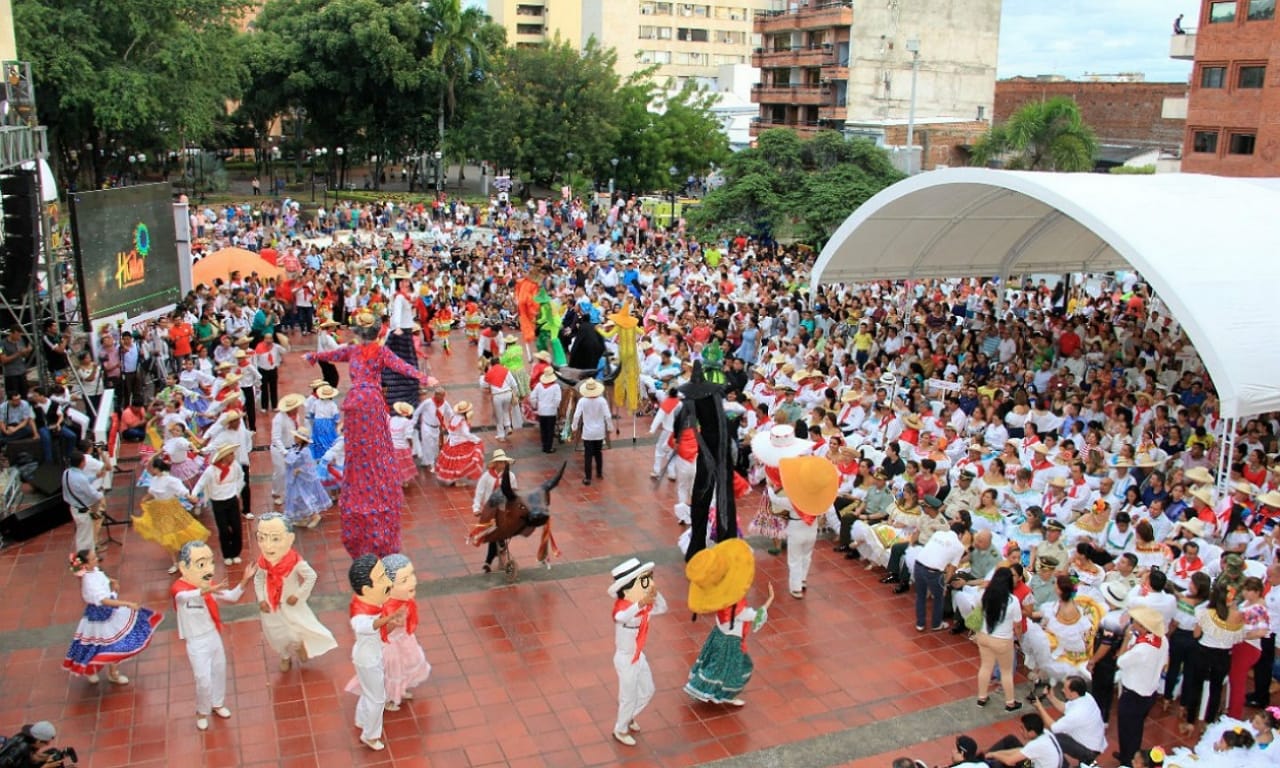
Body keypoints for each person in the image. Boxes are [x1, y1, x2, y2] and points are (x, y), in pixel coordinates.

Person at [306, 311, 428, 558]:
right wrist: (423, 377)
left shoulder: (356, 351)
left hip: (358, 401)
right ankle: (372, 480)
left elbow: (332, 355)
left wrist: (313, 356)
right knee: (372, 449)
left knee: (360, 450)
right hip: (370, 401)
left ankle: (364, 480)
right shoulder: (376, 352)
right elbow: (402, 366)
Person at [171, 540, 257, 731]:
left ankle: (217, 703)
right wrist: (206, 590)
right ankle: (202, 712)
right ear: (184, 567)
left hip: (213, 635)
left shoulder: (209, 587)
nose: (208, 569)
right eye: (201, 564)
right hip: (196, 641)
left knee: (219, 670)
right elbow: (182, 597)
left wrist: (245, 580)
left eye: (210, 562)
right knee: (203, 679)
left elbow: (232, 597)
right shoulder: (180, 589)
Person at [683, 539, 774, 707]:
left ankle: (705, 689)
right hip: (731, 641)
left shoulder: (721, 597)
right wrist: (770, 600)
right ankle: (723, 694)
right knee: (733, 669)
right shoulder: (734, 603)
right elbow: (754, 616)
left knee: (717, 665)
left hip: (720, 634)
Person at [62, 548, 162, 685]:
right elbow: (104, 601)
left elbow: (101, 579)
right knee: (99, 644)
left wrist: (111, 581)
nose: (97, 559)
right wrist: (127, 604)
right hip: (99, 616)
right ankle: (97, 671)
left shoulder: (94, 571)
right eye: (93, 558)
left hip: (109, 611)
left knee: (111, 643)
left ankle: (111, 672)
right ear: (86, 564)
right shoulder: (89, 582)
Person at [251, 513, 337, 672]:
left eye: (275, 539)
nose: (268, 545)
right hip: (270, 605)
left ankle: (298, 646)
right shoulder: (263, 561)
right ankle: (284, 656)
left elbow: (311, 576)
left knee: (296, 629)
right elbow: (258, 579)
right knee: (275, 633)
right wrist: (261, 599)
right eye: (262, 538)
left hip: (290, 604)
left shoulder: (296, 562)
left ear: (289, 539)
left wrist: (298, 595)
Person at [345, 553, 404, 752]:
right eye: (381, 578)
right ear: (366, 589)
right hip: (367, 659)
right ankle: (370, 735)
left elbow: (380, 631)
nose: (388, 582)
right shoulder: (360, 614)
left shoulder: (372, 604)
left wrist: (392, 623)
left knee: (369, 692)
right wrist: (389, 618)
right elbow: (370, 626)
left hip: (372, 655)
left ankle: (361, 720)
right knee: (377, 699)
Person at [609, 557, 667, 747]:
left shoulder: (644, 607)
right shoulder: (623, 607)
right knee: (628, 697)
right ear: (627, 589)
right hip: (625, 658)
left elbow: (662, 608)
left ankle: (629, 717)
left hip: (638, 655)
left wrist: (654, 592)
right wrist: (641, 603)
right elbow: (621, 617)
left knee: (648, 690)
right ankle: (620, 729)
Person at [134, 456, 210, 574]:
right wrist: (144, 499)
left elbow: (182, 491)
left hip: (172, 508)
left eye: (151, 468)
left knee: (182, 532)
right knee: (167, 536)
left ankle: (188, 557)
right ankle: (175, 562)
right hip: (160, 510)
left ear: (157, 469)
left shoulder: (170, 480)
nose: (149, 470)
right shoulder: (154, 479)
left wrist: (190, 497)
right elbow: (152, 492)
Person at [1115, 605, 1170, 765]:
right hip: (1149, 691)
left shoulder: (1142, 649)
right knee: (1136, 728)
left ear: (1143, 627)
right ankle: (1128, 756)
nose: (1133, 623)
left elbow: (1120, 661)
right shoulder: (1162, 640)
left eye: (1136, 622)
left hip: (1133, 694)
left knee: (1127, 730)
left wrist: (1126, 640)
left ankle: (1128, 761)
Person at [378, 553, 431, 711]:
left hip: (404, 639)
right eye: (404, 580)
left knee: (406, 666)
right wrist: (394, 623)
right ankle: (388, 698)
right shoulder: (385, 606)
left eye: (412, 575)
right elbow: (381, 632)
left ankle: (399, 690)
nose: (412, 581)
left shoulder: (404, 599)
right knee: (392, 671)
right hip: (390, 645)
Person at [188, 444, 246, 565]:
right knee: (223, 530)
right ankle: (227, 554)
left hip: (232, 500)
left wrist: (237, 492)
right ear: (224, 457)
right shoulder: (211, 470)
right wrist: (193, 494)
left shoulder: (235, 466)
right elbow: (200, 483)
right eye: (231, 454)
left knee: (236, 527)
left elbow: (241, 477)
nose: (233, 456)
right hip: (218, 502)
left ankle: (236, 553)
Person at [975, 566, 1023, 711]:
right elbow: (1018, 625)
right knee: (1006, 672)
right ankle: (1010, 702)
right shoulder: (1013, 601)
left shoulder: (984, 594)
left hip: (984, 636)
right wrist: (1018, 639)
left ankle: (981, 698)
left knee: (985, 667)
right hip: (1003, 641)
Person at [1031, 676, 1106, 765]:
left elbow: (1053, 727)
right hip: (1094, 742)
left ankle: (1066, 764)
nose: (1062, 690)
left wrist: (1040, 707)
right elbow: (1065, 708)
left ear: (1073, 693)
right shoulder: (1086, 696)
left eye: (1065, 689)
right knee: (1058, 737)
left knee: (1051, 739)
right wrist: (1051, 697)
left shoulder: (1078, 712)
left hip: (1089, 749)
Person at [913, 521, 968, 632]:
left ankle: (920, 624)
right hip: (933, 572)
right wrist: (945, 584)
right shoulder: (959, 547)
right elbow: (952, 568)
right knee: (939, 598)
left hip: (918, 565)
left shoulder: (938, 534)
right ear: (960, 535)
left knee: (921, 596)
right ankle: (936, 624)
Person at [471, 449, 517, 572]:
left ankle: (489, 561)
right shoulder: (486, 477)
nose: (503, 464)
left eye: (504, 462)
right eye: (501, 462)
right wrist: (476, 508)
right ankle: (497, 552)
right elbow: (479, 492)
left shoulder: (510, 477)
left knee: (495, 534)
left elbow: (513, 493)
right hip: (490, 510)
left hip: (504, 509)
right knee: (494, 533)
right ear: (495, 463)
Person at [282, 427, 331, 529]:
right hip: (297, 480)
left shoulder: (305, 451)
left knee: (304, 498)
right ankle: (303, 517)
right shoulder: (296, 448)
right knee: (297, 499)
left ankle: (315, 516)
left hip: (304, 480)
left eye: (297, 437)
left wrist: (300, 469)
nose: (295, 438)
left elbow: (309, 465)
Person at [984, 713, 1065, 768]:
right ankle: (984, 758)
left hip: (1033, 765)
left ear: (1032, 732)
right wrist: (996, 754)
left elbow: (1009, 761)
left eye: (1023, 729)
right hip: (1034, 763)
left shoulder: (1036, 744)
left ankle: (983, 762)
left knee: (1001, 764)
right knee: (1010, 740)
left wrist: (994, 755)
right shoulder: (1044, 732)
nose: (1020, 731)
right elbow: (1022, 750)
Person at [572, 378, 613, 485]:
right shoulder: (602, 401)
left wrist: (574, 427)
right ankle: (599, 473)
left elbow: (576, 416)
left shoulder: (582, 401)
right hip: (599, 432)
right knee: (598, 452)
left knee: (588, 455)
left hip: (587, 432)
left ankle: (588, 477)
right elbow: (608, 416)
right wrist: (610, 427)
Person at [61, 451, 105, 554]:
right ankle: (85, 558)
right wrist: (101, 495)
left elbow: (81, 482)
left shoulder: (66, 472)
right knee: (85, 537)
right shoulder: (80, 478)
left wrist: (95, 477)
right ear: (81, 463)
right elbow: (91, 493)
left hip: (74, 507)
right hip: (82, 510)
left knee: (84, 534)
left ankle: (90, 556)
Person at [435, 400, 485, 486]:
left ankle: (453, 479)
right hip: (460, 444)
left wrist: (451, 440)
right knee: (461, 463)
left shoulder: (454, 418)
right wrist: (476, 440)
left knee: (452, 463)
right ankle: (457, 480)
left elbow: (450, 431)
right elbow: (466, 434)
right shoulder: (462, 422)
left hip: (452, 443)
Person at [529, 369, 562, 454]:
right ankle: (549, 447)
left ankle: (544, 446)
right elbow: (557, 399)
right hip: (551, 412)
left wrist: (535, 406)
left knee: (543, 430)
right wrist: (556, 407)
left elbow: (532, 397)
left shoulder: (539, 385)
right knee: (550, 430)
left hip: (541, 411)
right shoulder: (556, 386)